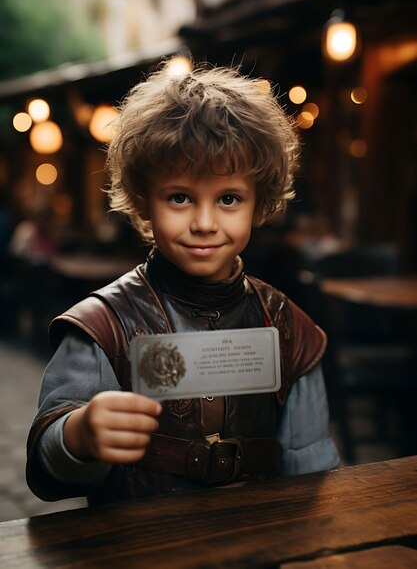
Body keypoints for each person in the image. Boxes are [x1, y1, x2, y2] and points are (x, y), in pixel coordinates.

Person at [26, 64, 340, 506]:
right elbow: (47, 467)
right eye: (180, 197)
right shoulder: (103, 325)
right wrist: (77, 435)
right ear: (143, 200)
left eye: (228, 199)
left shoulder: (290, 329)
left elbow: (312, 475)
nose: (205, 223)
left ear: (260, 201)